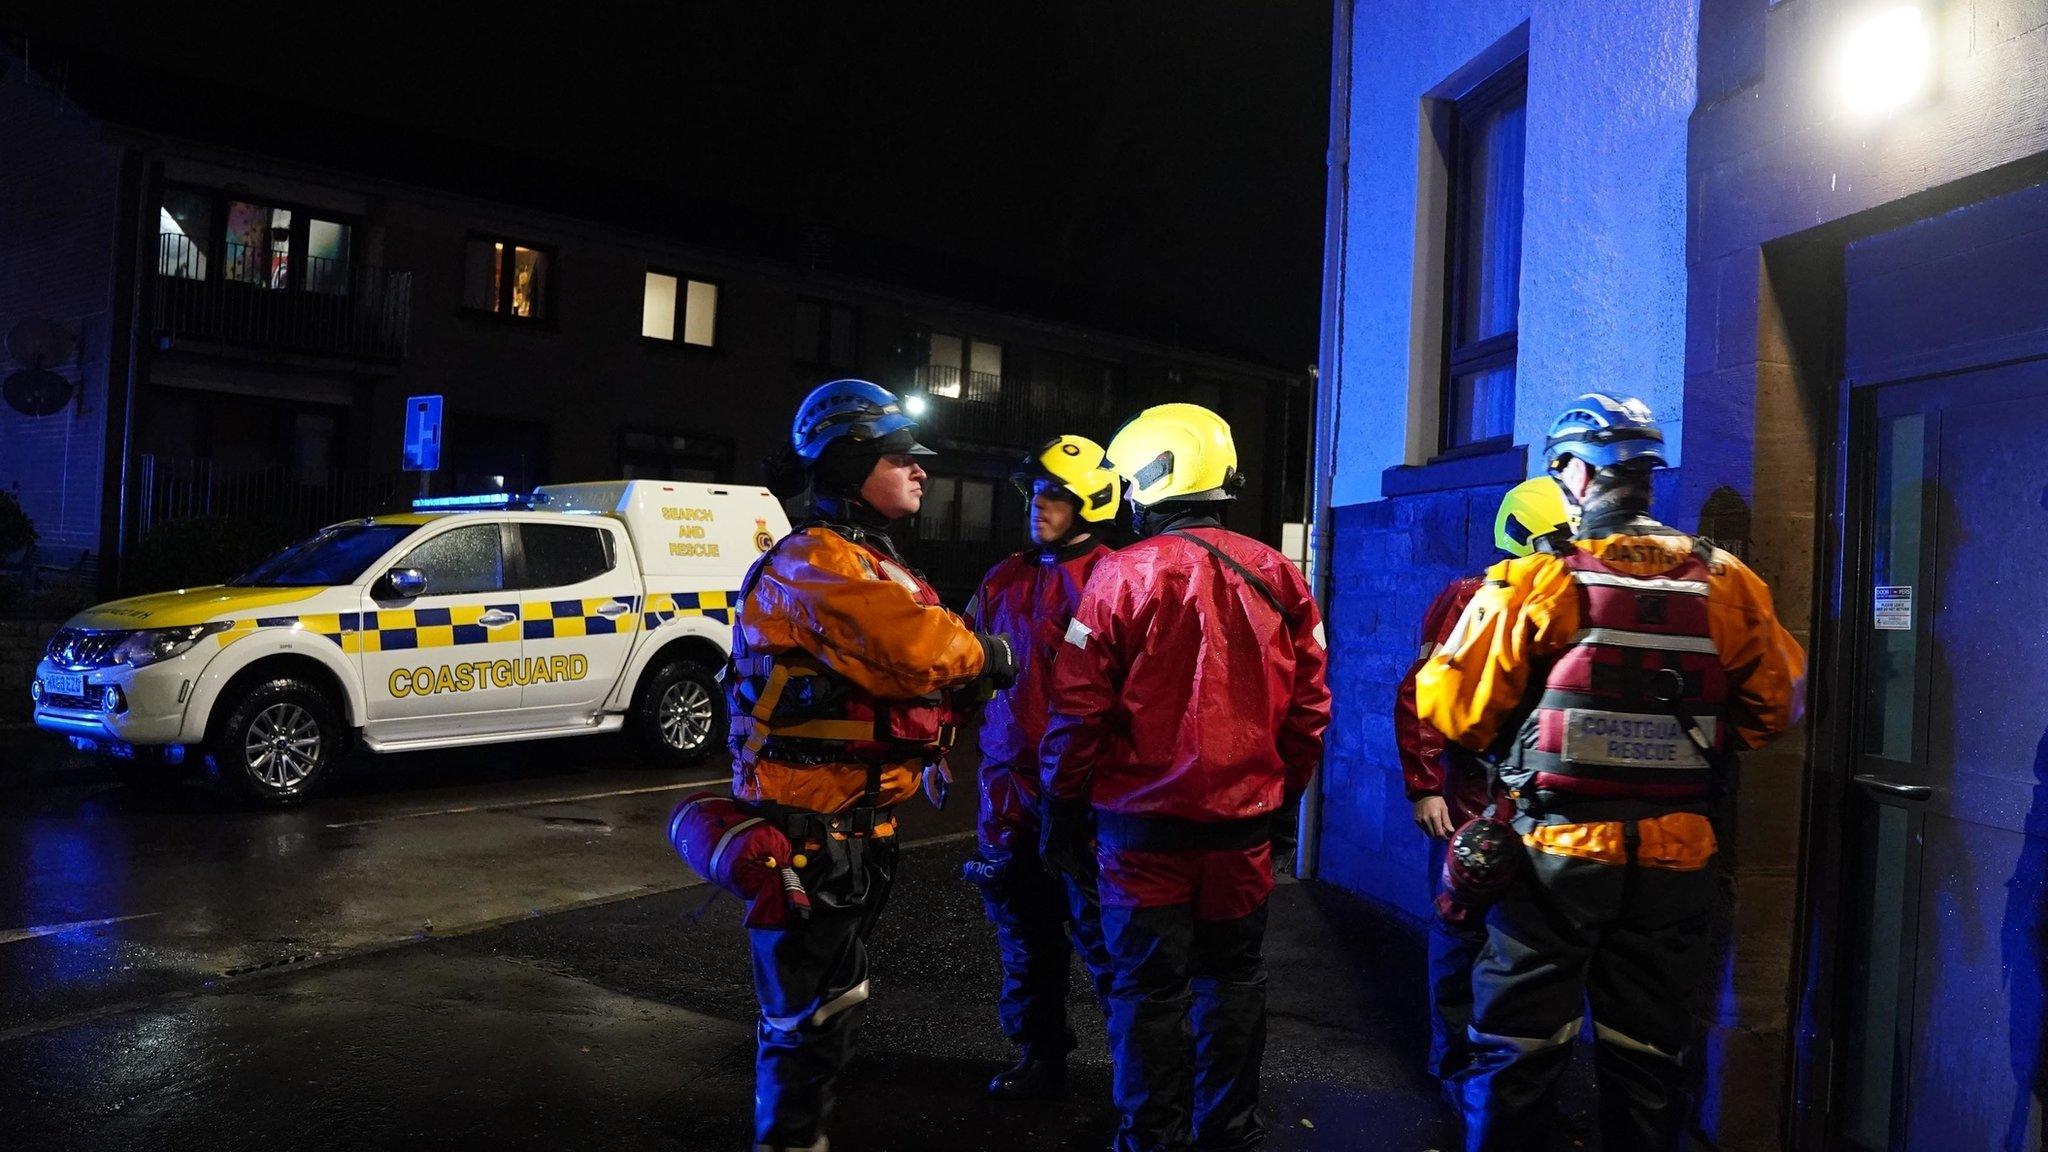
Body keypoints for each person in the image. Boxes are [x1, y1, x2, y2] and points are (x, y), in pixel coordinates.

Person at [1415, 393, 1805, 1152]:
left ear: (1576, 472)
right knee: (1648, 1056)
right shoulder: (1729, 583)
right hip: (1679, 853)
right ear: (1646, 476)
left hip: (1551, 857)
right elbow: (1773, 707)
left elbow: (1453, 709)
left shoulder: (1536, 582)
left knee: (1517, 1051)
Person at [729, 378, 1016, 1152]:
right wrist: (984, 652)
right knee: (808, 1015)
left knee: (835, 1000)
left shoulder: (861, 560)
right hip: (812, 830)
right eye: (900, 457)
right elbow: (916, 646)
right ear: (851, 463)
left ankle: (799, 1135)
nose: (921, 471)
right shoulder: (816, 562)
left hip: (852, 826)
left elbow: (907, 663)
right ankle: (788, 1143)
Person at [1039, 402, 1331, 1152]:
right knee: (1233, 982)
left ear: (1149, 478)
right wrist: (1279, 799)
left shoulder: (1118, 575)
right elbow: (1309, 708)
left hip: (1141, 836)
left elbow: (1077, 709)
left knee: (1147, 991)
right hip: (1240, 832)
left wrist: (1061, 811)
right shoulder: (1279, 575)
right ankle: (1229, 1134)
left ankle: (1150, 1136)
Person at [1394, 477, 1576, 1091]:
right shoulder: (1476, 596)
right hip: (1478, 796)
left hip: (1535, 801)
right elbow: (1424, 692)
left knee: (1515, 938)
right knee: (1460, 929)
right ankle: (1455, 1066)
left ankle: (1503, 1074)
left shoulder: (1573, 597)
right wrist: (1425, 785)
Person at [961, 434, 1123, 1100]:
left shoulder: (1116, 576)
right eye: (1035, 493)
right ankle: (1038, 1053)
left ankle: (1138, 1078)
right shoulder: (1003, 577)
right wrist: (943, 742)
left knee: (1106, 937)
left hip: (1086, 792)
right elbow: (963, 666)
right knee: (1023, 930)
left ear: (1091, 502)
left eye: (1055, 493)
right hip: (1008, 789)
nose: (1040, 505)